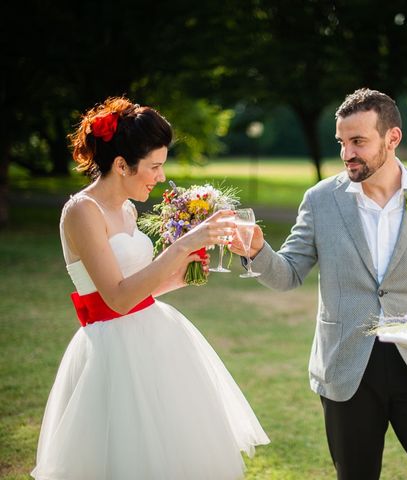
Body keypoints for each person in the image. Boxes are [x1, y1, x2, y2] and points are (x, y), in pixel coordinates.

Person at [230, 88, 407, 479]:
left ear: (392, 138)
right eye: (342, 142)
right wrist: (258, 250)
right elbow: (289, 273)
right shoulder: (320, 200)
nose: (347, 153)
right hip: (347, 368)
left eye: (358, 141)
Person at [31, 97, 269, 480]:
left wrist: (179, 275)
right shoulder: (81, 212)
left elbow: (139, 292)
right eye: (155, 167)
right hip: (112, 353)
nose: (160, 177)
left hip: (155, 338)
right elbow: (117, 298)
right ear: (122, 165)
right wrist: (180, 246)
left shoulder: (126, 209)